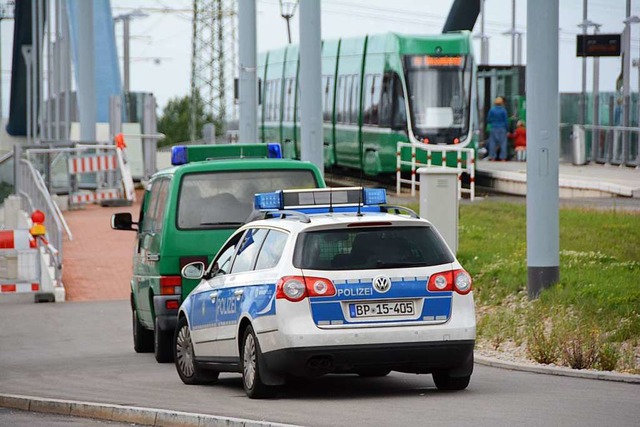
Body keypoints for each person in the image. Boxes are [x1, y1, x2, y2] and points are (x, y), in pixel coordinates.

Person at [486, 96, 509, 161]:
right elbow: (506, 121)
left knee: (492, 143)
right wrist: (507, 129)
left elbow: (488, 119)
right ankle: (503, 158)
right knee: (503, 143)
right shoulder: (503, 110)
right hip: (502, 128)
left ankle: (492, 157)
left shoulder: (492, 110)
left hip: (493, 128)